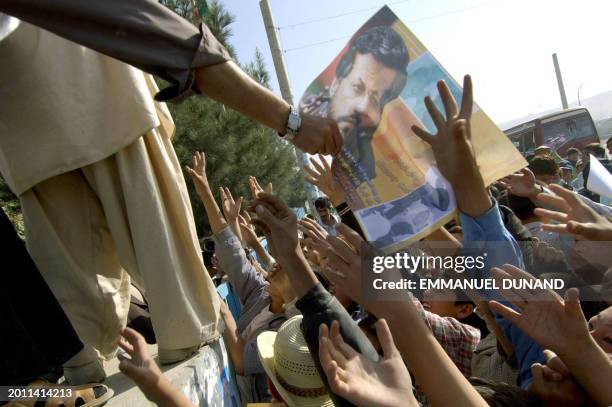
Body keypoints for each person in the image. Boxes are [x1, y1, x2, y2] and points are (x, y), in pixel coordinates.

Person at [186, 151, 296, 403]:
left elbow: (242, 362)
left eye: (287, 269)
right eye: (279, 263)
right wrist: (204, 191)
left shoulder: (288, 331)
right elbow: (231, 249)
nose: (277, 266)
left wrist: (223, 312)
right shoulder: (260, 292)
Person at [300, 25, 409, 181]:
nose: (362, 107)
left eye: (374, 99)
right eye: (358, 88)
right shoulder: (302, 117)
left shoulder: (368, 171)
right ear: (335, 85)